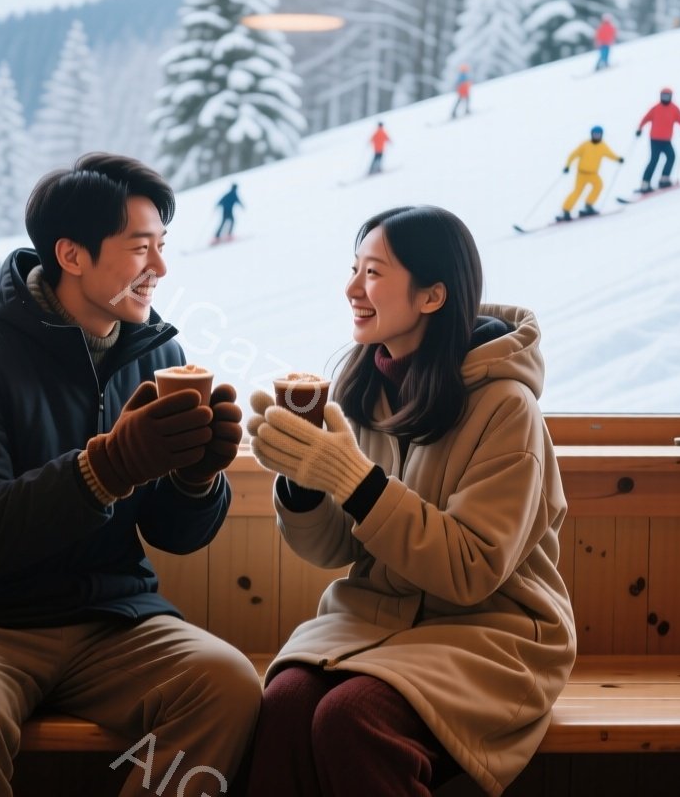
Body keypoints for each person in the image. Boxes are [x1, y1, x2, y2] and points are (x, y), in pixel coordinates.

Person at [0, 153, 258, 797]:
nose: (160, 269)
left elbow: (176, 533)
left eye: (161, 247)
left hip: (109, 614)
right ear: (72, 255)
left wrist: (197, 478)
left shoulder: (159, 355)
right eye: (141, 249)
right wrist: (107, 467)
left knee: (226, 684)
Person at [241, 205, 574, 797]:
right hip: (373, 619)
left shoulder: (505, 408)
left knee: (352, 717)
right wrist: (302, 478)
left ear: (431, 296)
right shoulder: (364, 383)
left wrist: (353, 480)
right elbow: (333, 548)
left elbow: (470, 572)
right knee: (286, 705)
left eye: (372, 273)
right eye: (354, 269)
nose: (351, 289)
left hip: (491, 634)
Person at [557, 125, 624, 222]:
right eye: (595, 134)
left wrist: (618, 159)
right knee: (577, 192)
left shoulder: (602, 146)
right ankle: (566, 210)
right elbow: (573, 155)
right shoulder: (585, 145)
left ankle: (588, 205)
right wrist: (567, 166)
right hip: (582, 174)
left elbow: (610, 154)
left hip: (593, 174)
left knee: (599, 186)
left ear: (601, 135)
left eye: (598, 135)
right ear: (591, 134)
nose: (596, 136)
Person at [634, 87, 680, 193]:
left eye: (667, 96)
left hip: (666, 140)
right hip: (655, 139)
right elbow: (645, 118)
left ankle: (664, 179)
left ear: (671, 97)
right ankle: (645, 184)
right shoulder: (656, 108)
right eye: (663, 96)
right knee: (654, 160)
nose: (665, 98)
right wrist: (640, 128)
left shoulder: (674, 109)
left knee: (671, 157)